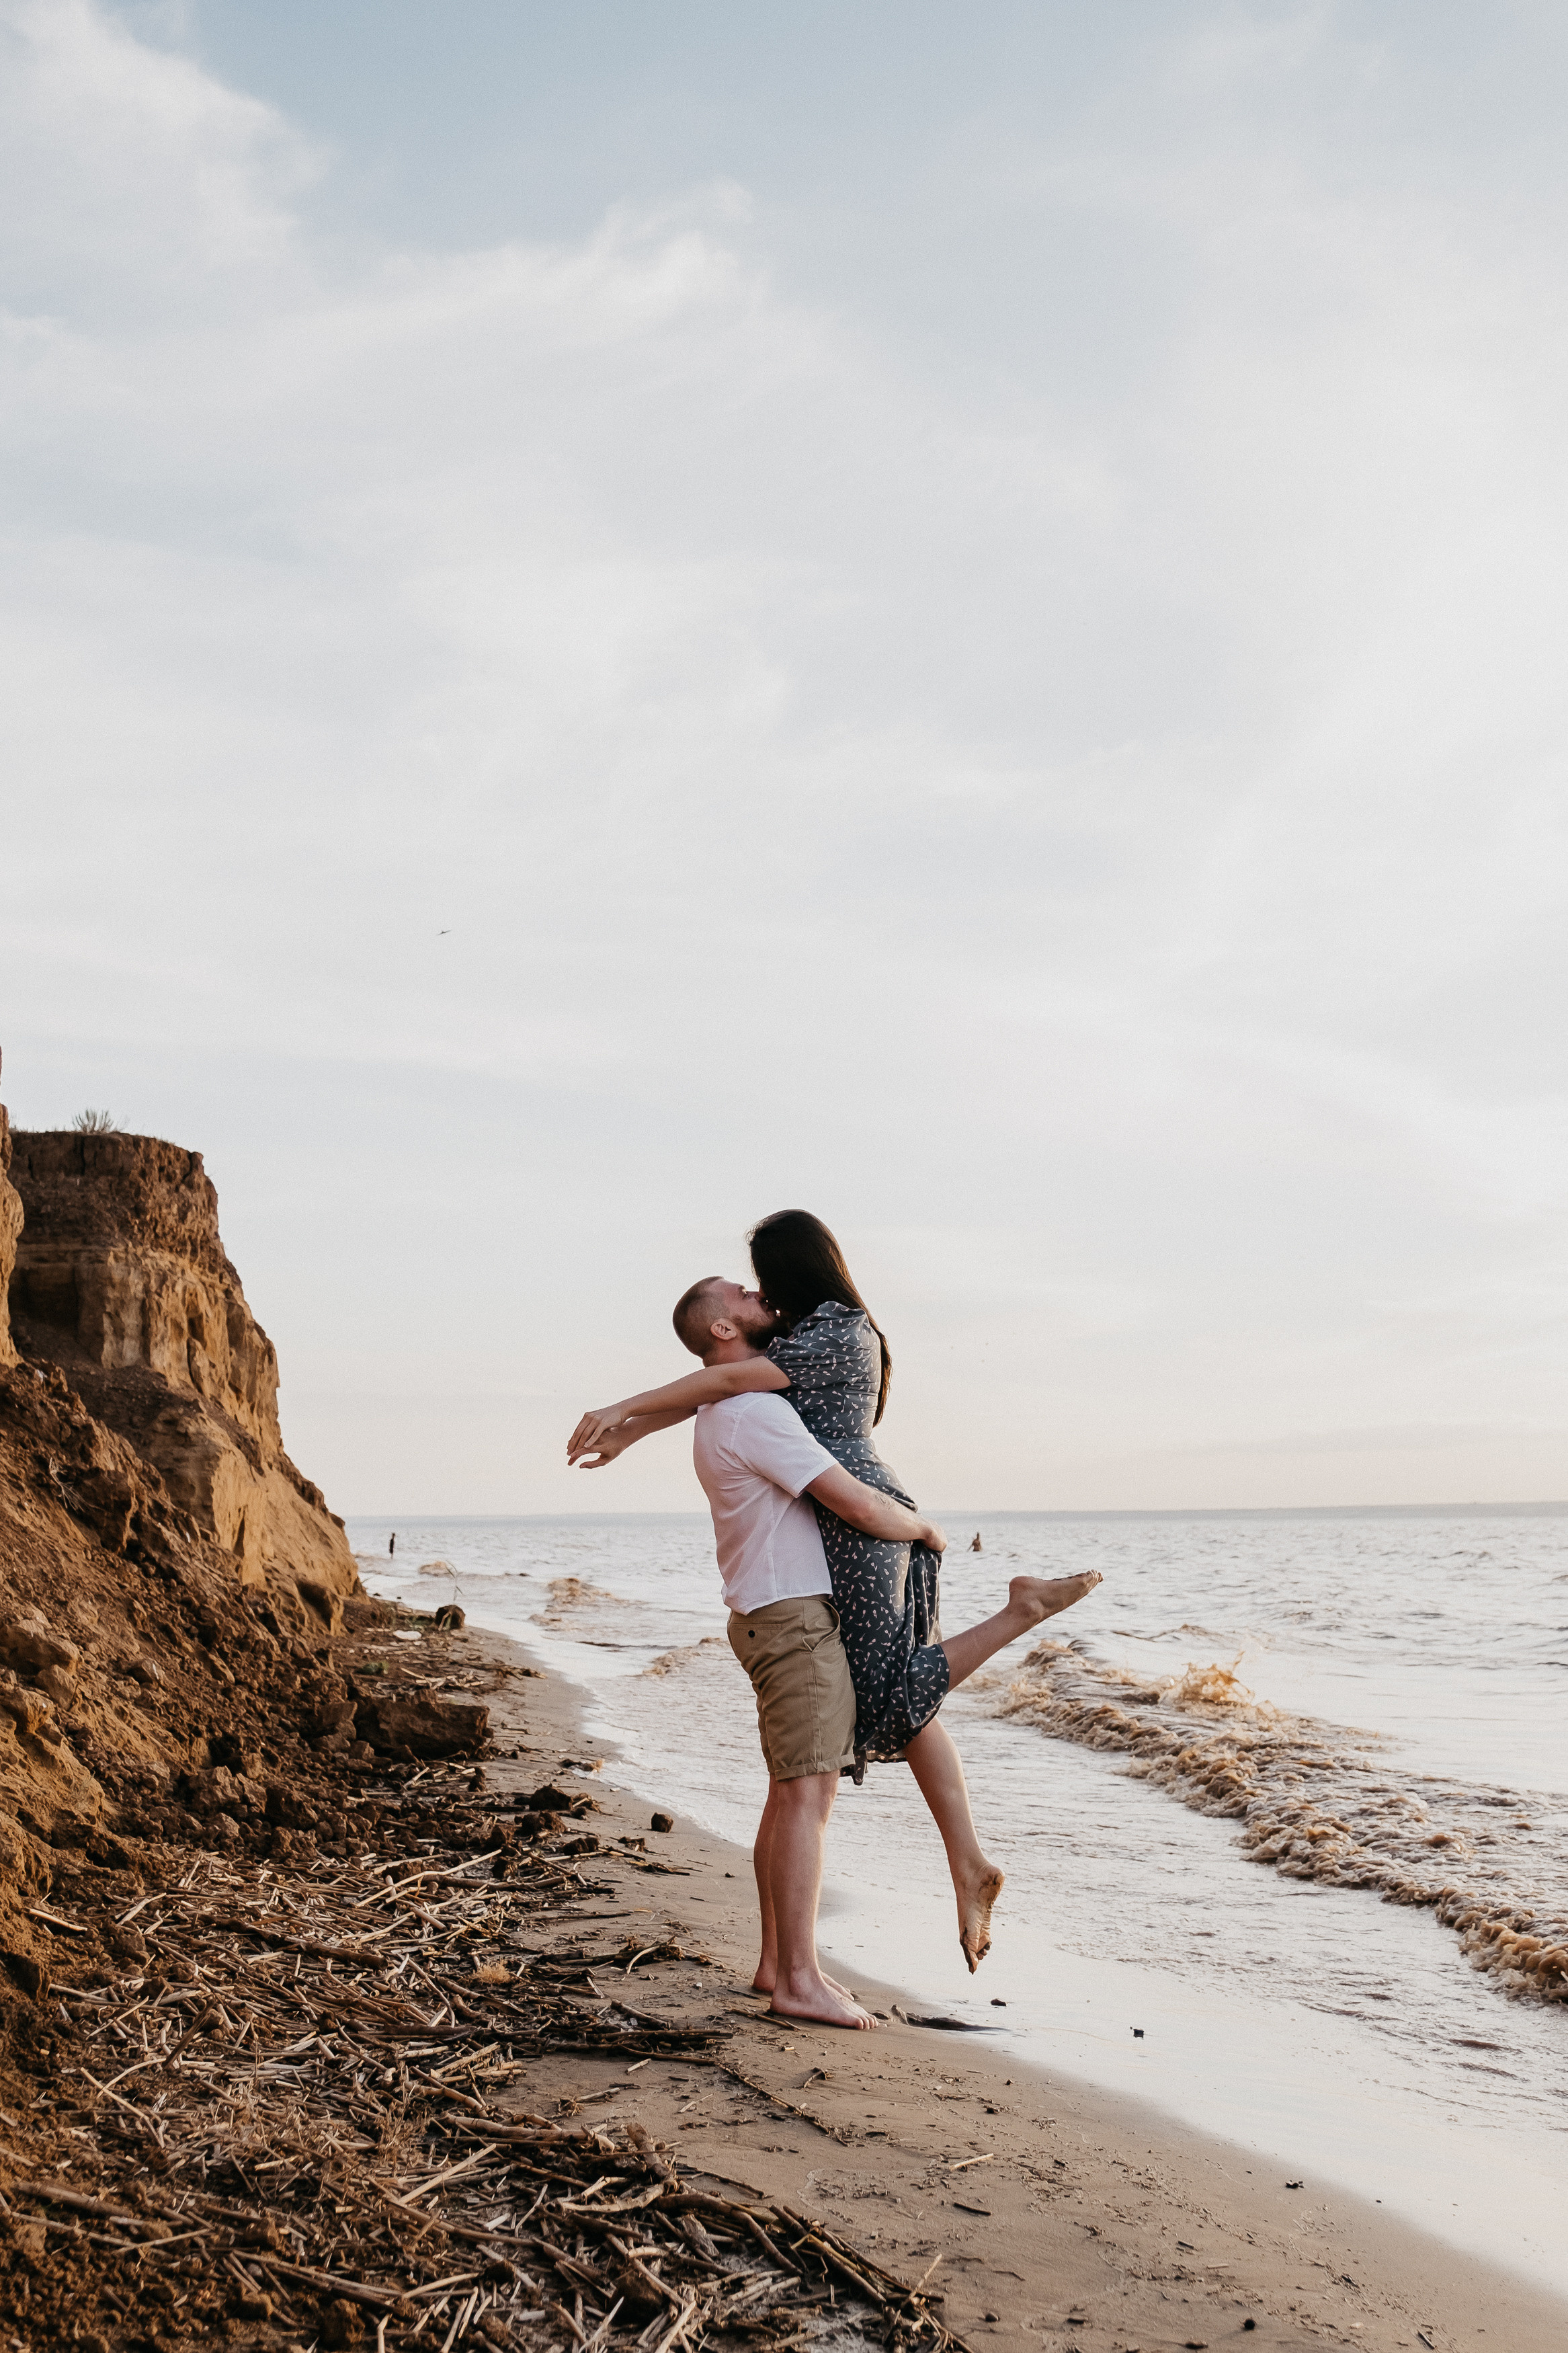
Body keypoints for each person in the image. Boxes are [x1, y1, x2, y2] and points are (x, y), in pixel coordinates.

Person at [569, 1218, 1101, 1970]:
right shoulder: (797, 1348)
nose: (759, 1290)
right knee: (882, 1706)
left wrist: (623, 1410)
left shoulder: (833, 1333)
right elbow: (721, 1379)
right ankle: (960, 1857)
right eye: (745, 1288)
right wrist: (632, 1427)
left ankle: (1019, 1617)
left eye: (760, 1276)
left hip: (858, 1514)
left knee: (880, 1703)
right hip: (847, 1517)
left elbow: (722, 1377)